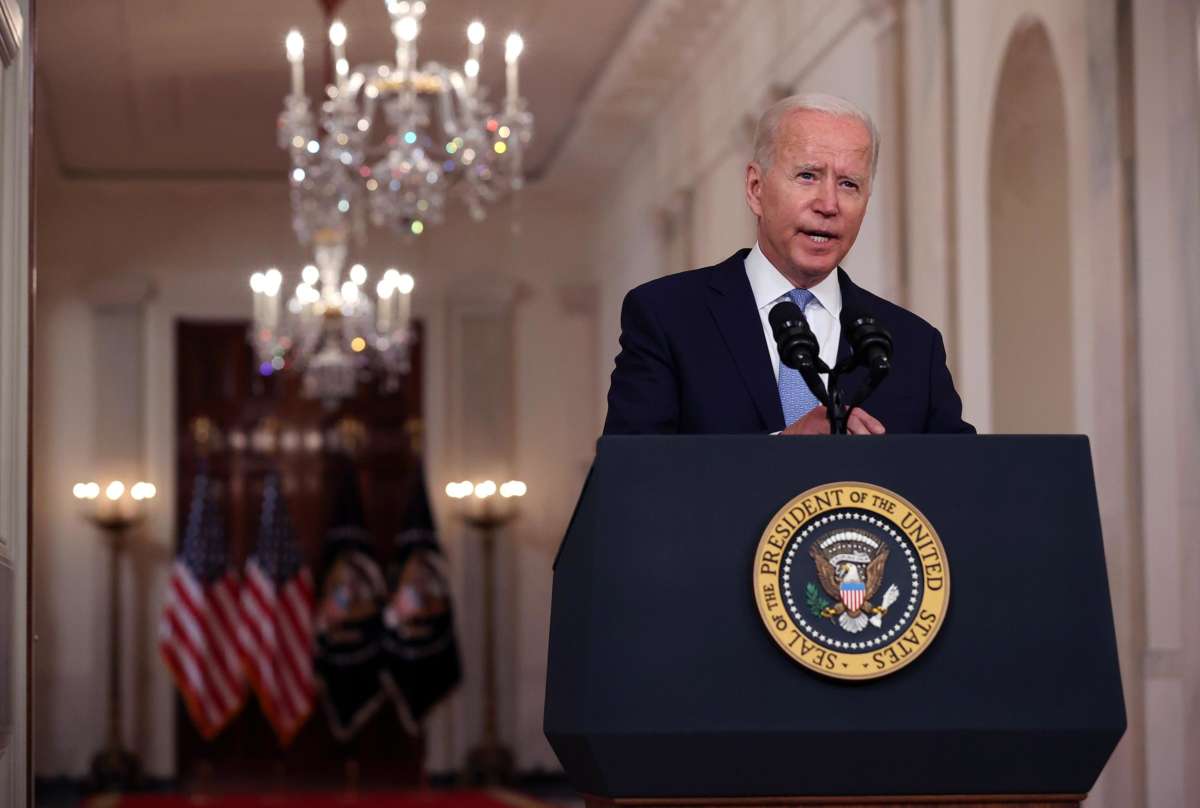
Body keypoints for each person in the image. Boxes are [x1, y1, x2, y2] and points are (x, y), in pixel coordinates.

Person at [603, 93, 974, 436]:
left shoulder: (912, 346)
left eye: (849, 184)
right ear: (755, 188)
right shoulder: (667, 317)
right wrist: (782, 452)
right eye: (808, 176)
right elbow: (635, 482)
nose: (829, 204)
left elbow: (962, 488)